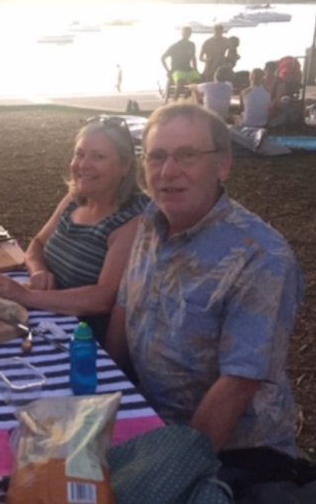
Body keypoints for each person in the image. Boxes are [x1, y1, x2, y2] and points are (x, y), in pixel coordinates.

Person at [107, 104, 303, 456]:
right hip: (149, 418)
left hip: (232, 453)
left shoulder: (260, 257)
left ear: (223, 166)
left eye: (187, 156)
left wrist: (177, 468)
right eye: (156, 157)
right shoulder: (152, 220)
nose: (168, 171)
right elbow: (125, 307)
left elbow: (238, 385)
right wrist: (103, 392)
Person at [0, 118, 149, 346]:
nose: (83, 165)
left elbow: (103, 298)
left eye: (98, 157)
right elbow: (37, 244)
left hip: (83, 341)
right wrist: (39, 271)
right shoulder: (76, 198)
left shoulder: (133, 218)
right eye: (79, 154)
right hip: (45, 316)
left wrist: (27, 296)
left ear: (125, 166)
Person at [161, 26, 201, 101]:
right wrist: (168, 70)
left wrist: (195, 68)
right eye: (185, 33)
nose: (187, 35)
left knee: (199, 80)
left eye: (189, 33)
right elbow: (163, 58)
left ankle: (188, 95)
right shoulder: (175, 46)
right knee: (181, 83)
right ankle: (175, 99)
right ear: (182, 33)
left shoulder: (191, 45)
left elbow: (193, 57)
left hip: (187, 68)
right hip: (176, 69)